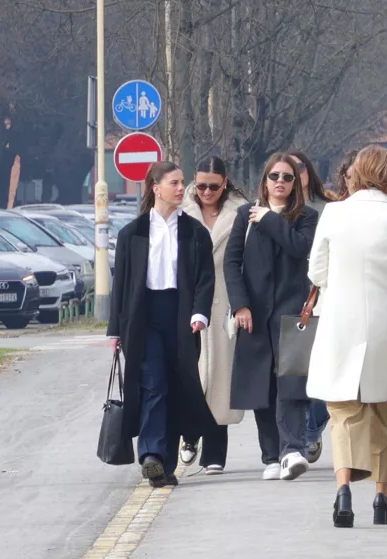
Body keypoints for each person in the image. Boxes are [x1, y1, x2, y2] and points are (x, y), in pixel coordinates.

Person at [306, 145, 387, 528]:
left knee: (343, 409)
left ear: (355, 172)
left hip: (340, 318)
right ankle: (382, 497)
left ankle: (343, 491)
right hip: (384, 322)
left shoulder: (334, 213)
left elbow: (316, 270)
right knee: (381, 408)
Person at [107, 161, 218, 488]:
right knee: (153, 383)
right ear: (156, 188)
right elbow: (122, 286)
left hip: (182, 317)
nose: (181, 188)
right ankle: (151, 455)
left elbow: (205, 280)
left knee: (177, 384)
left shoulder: (195, 233)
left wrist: (200, 313)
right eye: (174, 182)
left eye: (183, 182)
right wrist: (115, 329)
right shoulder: (134, 233)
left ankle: (165, 465)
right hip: (144, 318)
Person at [224, 153, 319, 482]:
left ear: (295, 184)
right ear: (264, 181)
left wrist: (269, 219)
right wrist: (240, 305)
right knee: (260, 385)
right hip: (254, 312)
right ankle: (270, 453)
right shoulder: (243, 215)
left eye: (288, 177)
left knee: (291, 383)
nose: (280, 182)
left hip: (293, 312)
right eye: (274, 176)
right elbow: (231, 263)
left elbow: (299, 247)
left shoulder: (307, 217)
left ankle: (292, 450)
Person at [177, 156, 248, 474]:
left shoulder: (241, 212)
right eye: (201, 185)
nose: (207, 191)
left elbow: (248, 260)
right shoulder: (180, 209)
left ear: (225, 182)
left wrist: (243, 302)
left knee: (221, 378)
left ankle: (215, 453)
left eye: (214, 186)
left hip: (224, 303)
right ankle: (190, 435)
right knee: (190, 376)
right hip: (187, 302)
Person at [288, 150, 334, 464]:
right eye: (283, 171)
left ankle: (313, 427)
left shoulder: (329, 208)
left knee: (325, 373)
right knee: (295, 372)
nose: (291, 175)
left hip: (325, 297)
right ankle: (296, 436)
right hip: (288, 297)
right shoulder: (274, 210)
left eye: (298, 168)